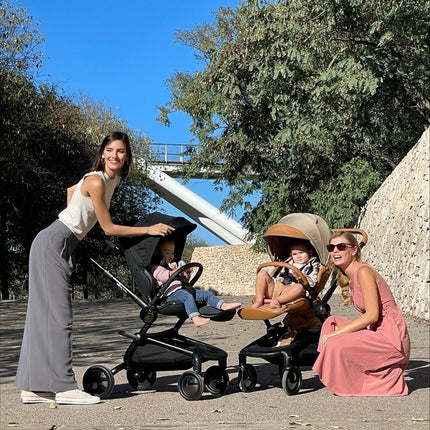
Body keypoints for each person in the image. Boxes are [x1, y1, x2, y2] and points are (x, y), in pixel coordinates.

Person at [15, 131, 175, 405]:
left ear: (127, 157)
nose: (115, 156)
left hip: (59, 242)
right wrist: (149, 229)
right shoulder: (97, 181)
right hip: (53, 244)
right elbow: (109, 228)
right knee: (59, 318)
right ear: (102, 153)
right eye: (110, 150)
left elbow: (70, 192)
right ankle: (64, 387)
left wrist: (79, 225)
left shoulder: (109, 180)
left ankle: (33, 388)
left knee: (44, 316)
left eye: (121, 151)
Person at [312, 231, 410, 396]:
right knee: (331, 322)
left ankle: (381, 377)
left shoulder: (363, 272)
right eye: (331, 247)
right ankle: (354, 374)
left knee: (335, 341)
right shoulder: (349, 275)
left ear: (354, 250)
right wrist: (335, 332)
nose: (335, 251)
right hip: (377, 331)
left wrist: (337, 334)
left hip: (392, 339)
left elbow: (372, 316)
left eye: (341, 247)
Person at [150, 238, 242, 327]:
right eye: (167, 253)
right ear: (158, 253)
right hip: (170, 295)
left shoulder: (173, 265)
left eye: (172, 253)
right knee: (187, 297)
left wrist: (186, 272)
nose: (171, 256)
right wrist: (176, 271)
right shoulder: (156, 268)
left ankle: (223, 305)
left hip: (182, 289)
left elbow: (181, 276)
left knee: (205, 294)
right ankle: (195, 318)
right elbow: (163, 276)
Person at [250, 240, 319, 308]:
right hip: (275, 288)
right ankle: (259, 301)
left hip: (289, 292)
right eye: (295, 254)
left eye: (301, 253)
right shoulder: (286, 263)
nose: (298, 256)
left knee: (299, 287)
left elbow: (313, 281)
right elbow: (274, 277)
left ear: (309, 252)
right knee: (262, 273)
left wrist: (302, 278)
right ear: (291, 255)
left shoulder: (311, 265)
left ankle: (277, 301)